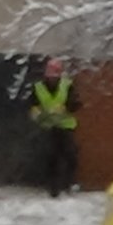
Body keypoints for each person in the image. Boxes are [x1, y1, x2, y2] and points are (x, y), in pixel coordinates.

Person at [29, 58, 80, 197]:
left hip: (65, 126)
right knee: (51, 157)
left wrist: (65, 107)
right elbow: (32, 103)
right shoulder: (38, 87)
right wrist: (35, 112)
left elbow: (76, 104)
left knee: (70, 155)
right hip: (48, 126)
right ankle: (53, 187)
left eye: (55, 76)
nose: (52, 79)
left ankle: (69, 184)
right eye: (50, 76)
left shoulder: (67, 85)